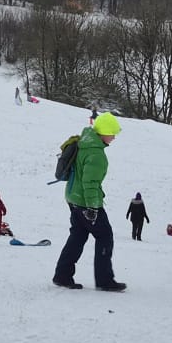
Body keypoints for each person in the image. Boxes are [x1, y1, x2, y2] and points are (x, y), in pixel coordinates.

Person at [54, 113, 125, 291]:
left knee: (77, 237)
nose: (114, 137)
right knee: (104, 236)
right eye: (112, 133)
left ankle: (62, 275)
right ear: (104, 132)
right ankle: (104, 280)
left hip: (73, 198)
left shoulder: (84, 143)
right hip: (86, 202)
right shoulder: (96, 154)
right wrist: (93, 207)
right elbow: (90, 182)